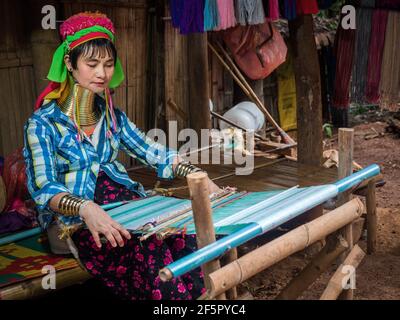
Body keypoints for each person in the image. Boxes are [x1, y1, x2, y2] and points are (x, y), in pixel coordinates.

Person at [23, 12, 220, 300]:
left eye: (107, 64)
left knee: (182, 239)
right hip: (76, 223)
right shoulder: (41, 124)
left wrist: (195, 174)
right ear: (69, 64)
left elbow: (151, 150)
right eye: (91, 64)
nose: (102, 73)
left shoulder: (112, 117)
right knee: (150, 250)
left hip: (128, 207)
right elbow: (43, 186)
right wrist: (87, 208)